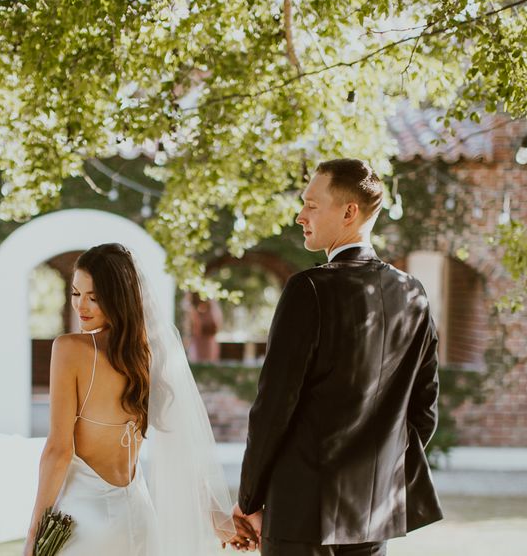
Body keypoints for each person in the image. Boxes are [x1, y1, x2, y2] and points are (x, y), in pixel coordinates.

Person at [231, 159, 442, 555]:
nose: (300, 215)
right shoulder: (414, 294)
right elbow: (424, 409)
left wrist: (249, 500)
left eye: (312, 204)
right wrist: (380, 472)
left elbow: (274, 406)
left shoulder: (308, 289)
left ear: (349, 212)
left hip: (301, 510)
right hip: (374, 511)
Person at [24, 243, 235, 556]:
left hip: (85, 524)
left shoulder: (70, 349)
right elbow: (182, 444)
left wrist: (33, 535)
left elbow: (58, 450)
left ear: (118, 298)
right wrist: (216, 515)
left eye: (94, 298)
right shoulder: (152, 355)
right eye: (76, 293)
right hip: (137, 517)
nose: (81, 306)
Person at [187, 292, 222, 362]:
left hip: (208, 341)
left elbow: (215, 325)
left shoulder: (212, 307)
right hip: (197, 341)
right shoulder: (193, 309)